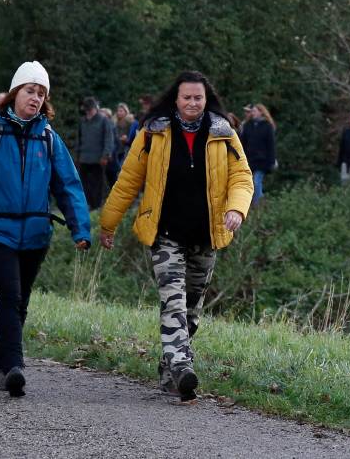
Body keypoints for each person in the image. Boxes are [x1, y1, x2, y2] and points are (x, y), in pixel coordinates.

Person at [98, 71, 252, 404]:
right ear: (176, 99)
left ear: (206, 99)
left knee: (192, 310)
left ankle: (169, 367)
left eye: (198, 97)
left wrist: (236, 210)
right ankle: (182, 367)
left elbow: (243, 177)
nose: (193, 103)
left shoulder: (224, 133)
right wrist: (108, 224)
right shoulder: (153, 132)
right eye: (187, 98)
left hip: (207, 235)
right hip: (165, 234)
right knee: (173, 303)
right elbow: (127, 181)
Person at [0, 61, 90, 398]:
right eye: (30, 90)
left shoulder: (48, 138)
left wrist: (80, 228)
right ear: (14, 93)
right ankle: (15, 366)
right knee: (9, 295)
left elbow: (68, 185)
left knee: (20, 301)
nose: (36, 98)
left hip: (36, 235)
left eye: (41, 93)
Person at [75, 96, 114, 210]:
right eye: (86, 110)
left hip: (98, 159)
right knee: (84, 183)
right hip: (84, 158)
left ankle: (96, 206)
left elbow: (108, 139)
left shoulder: (104, 120)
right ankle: (87, 204)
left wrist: (105, 155)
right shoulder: (82, 121)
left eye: (90, 110)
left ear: (95, 108)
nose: (88, 112)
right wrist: (77, 156)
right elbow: (79, 139)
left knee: (97, 184)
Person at [239, 103, 276, 207]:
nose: (252, 113)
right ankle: (253, 203)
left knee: (256, 181)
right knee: (249, 183)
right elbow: (242, 143)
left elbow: (271, 145)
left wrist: (272, 161)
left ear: (261, 112)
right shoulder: (247, 125)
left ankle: (258, 204)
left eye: (254, 111)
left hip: (262, 160)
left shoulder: (267, 126)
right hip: (249, 160)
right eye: (252, 111)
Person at [113, 102, 139, 169]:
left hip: (127, 149)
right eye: (118, 111)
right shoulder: (114, 123)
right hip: (116, 149)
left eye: (121, 111)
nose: (119, 113)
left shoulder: (132, 123)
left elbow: (135, 136)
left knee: (122, 168)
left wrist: (126, 139)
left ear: (126, 112)